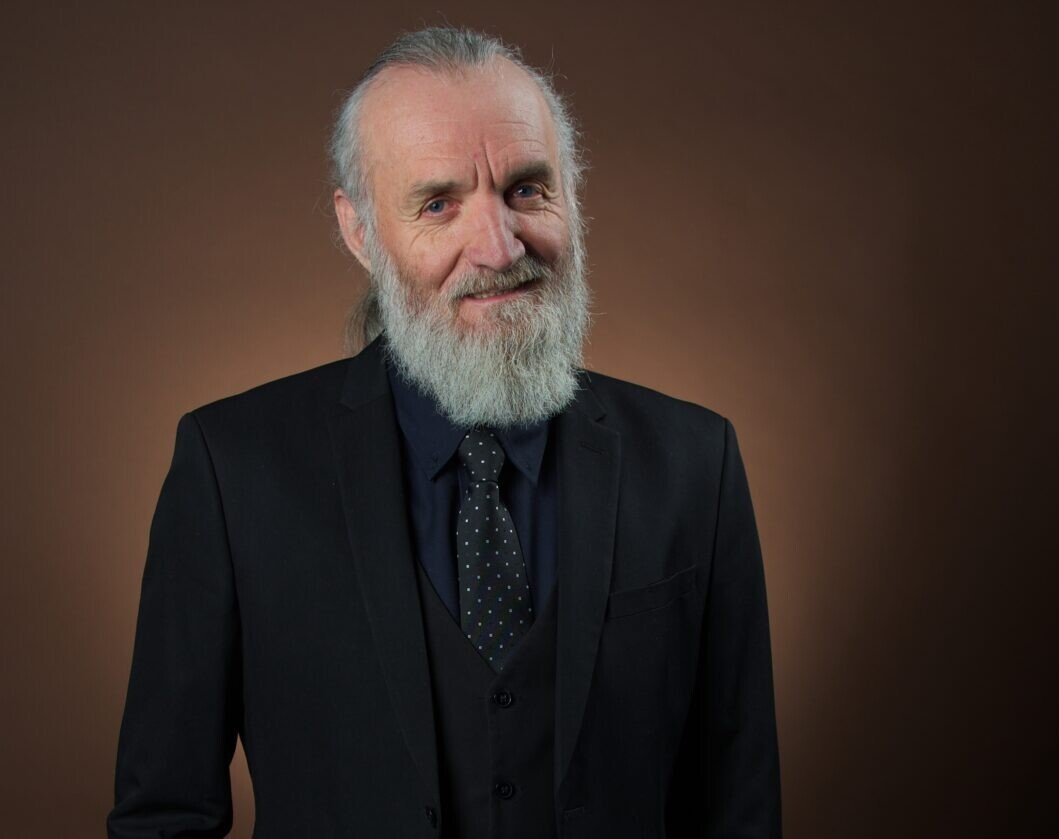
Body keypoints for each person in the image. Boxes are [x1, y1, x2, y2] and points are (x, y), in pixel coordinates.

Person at [107, 25, 781, 839]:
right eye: (438, 204)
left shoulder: (696, 463)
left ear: (572, 194)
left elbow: (740, 809)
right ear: (360, 232)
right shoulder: (231, 471)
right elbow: (163, 817)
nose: (497, 247)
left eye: (527, 189)